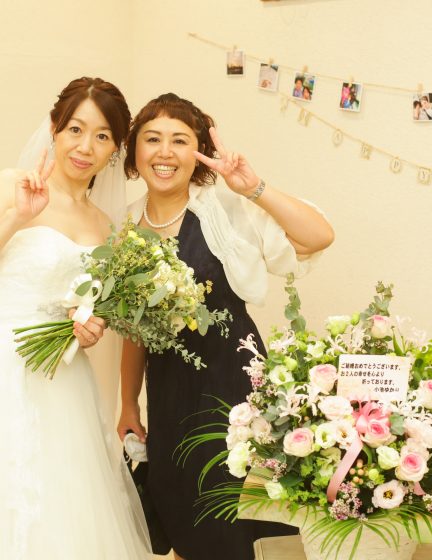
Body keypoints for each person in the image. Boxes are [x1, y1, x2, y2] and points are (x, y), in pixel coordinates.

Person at [117, 93, 334, 560]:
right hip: (168, 393)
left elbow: (319, 236)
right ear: (134, 149)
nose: (165, 152)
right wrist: (128, 402)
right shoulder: (128, 224)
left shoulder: (225, 207)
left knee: (242, 513)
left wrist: (253, 188)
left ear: (199, 152)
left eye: (180, 140)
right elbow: (133, 327)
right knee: (182, 509)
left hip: (235, 387)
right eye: (152, 139)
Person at [0, 77, 151, 559]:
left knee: (62, 508)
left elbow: (93, 309)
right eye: (76, 130)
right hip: (5, 361)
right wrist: (16, 217)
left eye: (103, 136)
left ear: (116, 149)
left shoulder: (108, 228)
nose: (86, 147)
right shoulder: (11, 186)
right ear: (54, 129)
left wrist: (88, 329)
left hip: (61, 379)